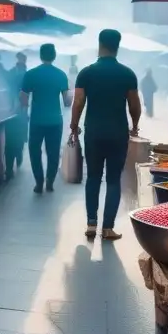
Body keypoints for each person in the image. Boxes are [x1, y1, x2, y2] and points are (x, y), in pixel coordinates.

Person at [70, 29, 141, 241]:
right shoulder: (127, 74)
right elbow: (134, 105)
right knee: (113, 180)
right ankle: (108, 228)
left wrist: (74, 126)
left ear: (100, 44)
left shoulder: (86, 73)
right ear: (118, 46)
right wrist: (135, 125)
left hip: (93, 132)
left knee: (92, 177)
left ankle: (91, 224)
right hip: (118, 133)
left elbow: (79, 102)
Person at [21, 44, 70, 193]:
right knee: (53, 152)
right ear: (54, 56)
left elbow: (23, 98)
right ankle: (50, 181)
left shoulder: (31, 74)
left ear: (41, 56)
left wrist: (26, 110)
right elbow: (67, 101)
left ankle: (39, 182)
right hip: (55, 121)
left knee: (34, 151)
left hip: (37, 121)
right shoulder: (61, 75)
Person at [6, 52, 28, 176]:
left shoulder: (16, 72)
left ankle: (12, 164)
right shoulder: (25, 73)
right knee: (15, 138)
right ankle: (12, 163)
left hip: (17, 110)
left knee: (14, 138)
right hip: (17, 110)